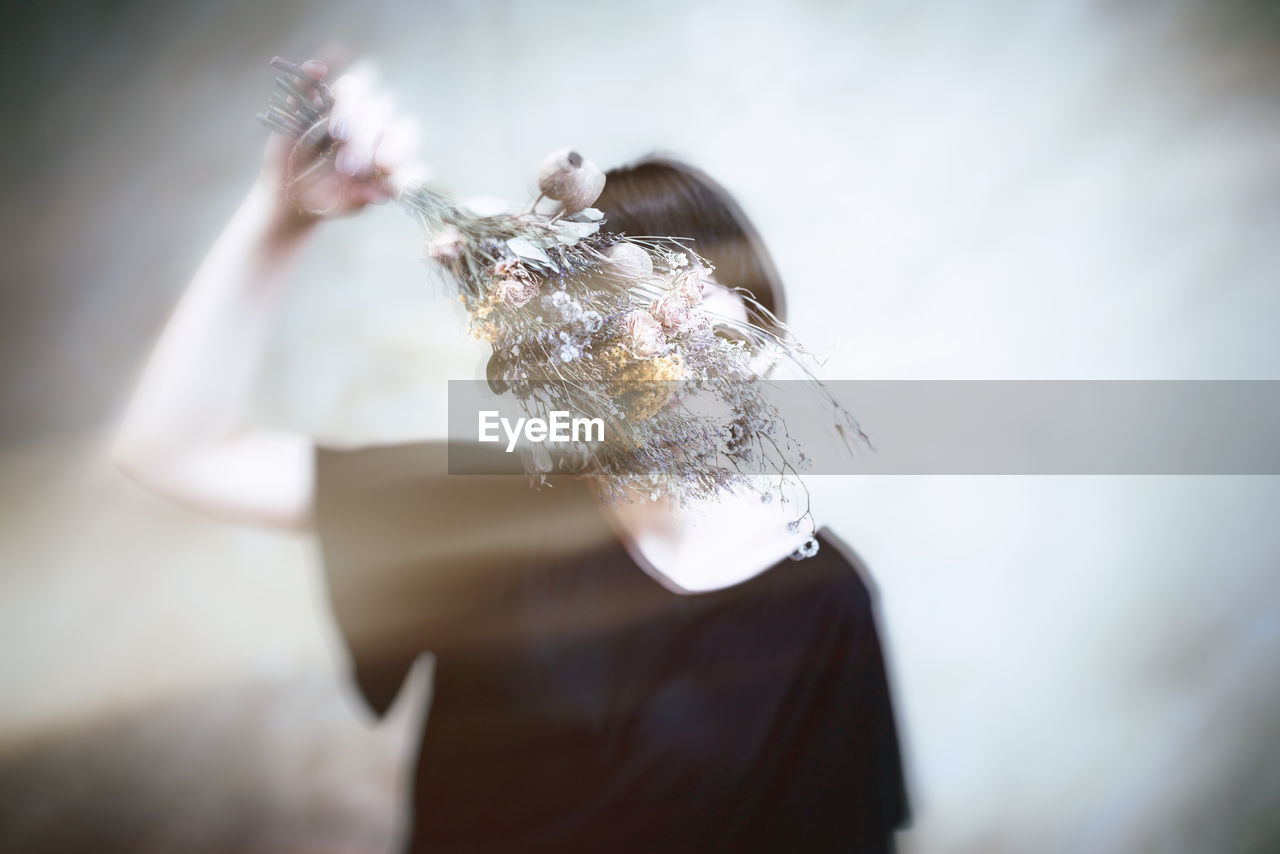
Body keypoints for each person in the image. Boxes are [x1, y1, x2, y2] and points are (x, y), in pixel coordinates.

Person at [112, 59, 910, 853]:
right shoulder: (491, 505)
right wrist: (280, 217)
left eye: (716, 311)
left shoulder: (824, 602)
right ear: (569, 353)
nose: (678, 344)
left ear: (764, 341)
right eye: (638, 317)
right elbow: (170, 451)